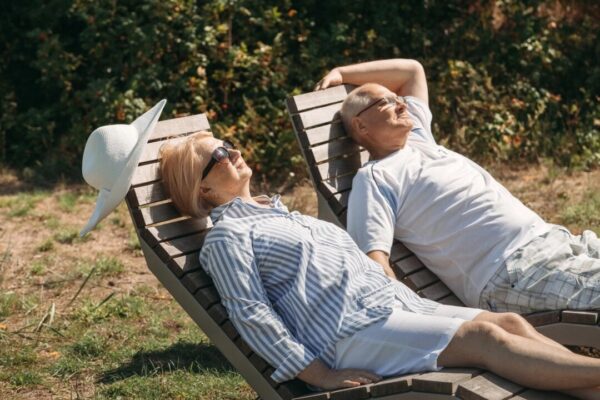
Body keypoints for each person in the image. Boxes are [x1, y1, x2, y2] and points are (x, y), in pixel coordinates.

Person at [156, 131, 600, 397]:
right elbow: (251, 314)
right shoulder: (228, 238)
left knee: (509, 323)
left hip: (394, 309)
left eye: (228, 145)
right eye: (218, 156)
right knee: (484, 338)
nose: (232, 152)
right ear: (203, 190)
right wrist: (320, 375)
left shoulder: (278, 214)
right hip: (348, 336)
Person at [315, 59, 600, 314]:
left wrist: (342, 72)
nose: (401, 103)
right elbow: (374, 260)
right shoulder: (376, 178)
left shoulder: (419, 138)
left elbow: (412, 71)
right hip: (512, 272)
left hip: (555, 240)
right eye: (386, 103)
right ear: (361, 126)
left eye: (397, 97)